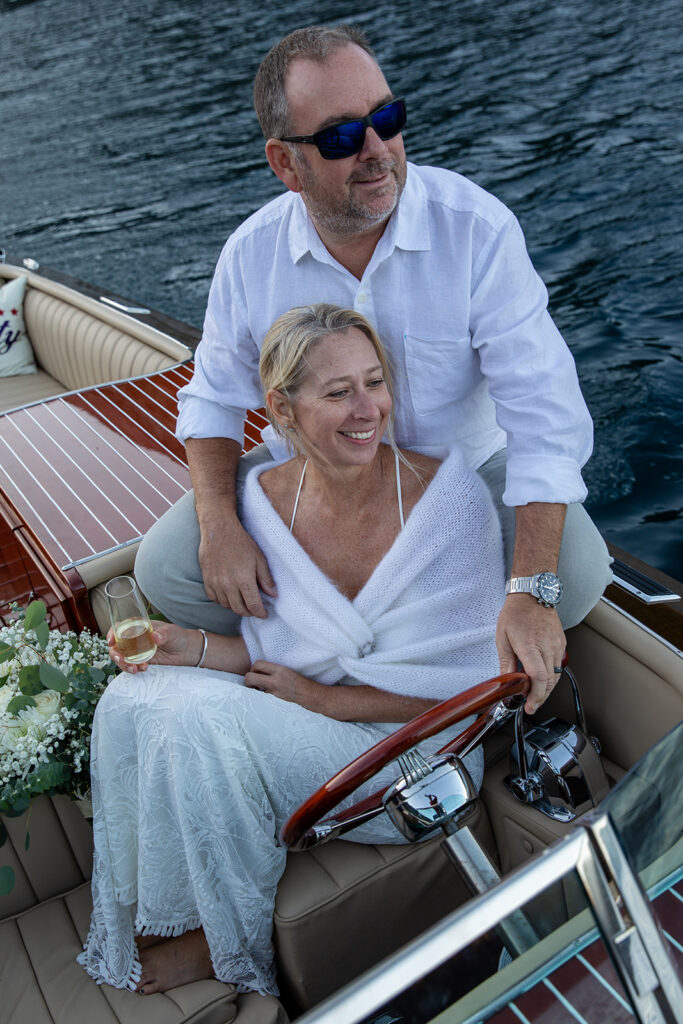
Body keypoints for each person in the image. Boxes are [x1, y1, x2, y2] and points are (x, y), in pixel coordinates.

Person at [135, 23, 612, 715]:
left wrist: (530, 591)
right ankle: (376, 661)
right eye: (338, 138)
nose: (376, 151)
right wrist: (221, 527)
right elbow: (210, 401)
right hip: (315, 477)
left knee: (573, 572)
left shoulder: (475, 230)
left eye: (386, 119)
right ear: (283, 162)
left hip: (465, 470)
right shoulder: (249, 255)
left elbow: (545, 414)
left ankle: (334, 664)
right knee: (168, 569)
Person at [79, 304, 507, 996]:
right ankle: (183, 904)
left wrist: (326, 700)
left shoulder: (447, 502)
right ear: (282, 407)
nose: (368, 409)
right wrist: (183, 646)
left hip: (420, 757)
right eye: (339, 392)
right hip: (316, 727)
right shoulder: (266, 500)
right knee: (133, 693)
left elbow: (476, 685)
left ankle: (227, 945)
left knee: (203, 723)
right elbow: (277, 661)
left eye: (375, 382)